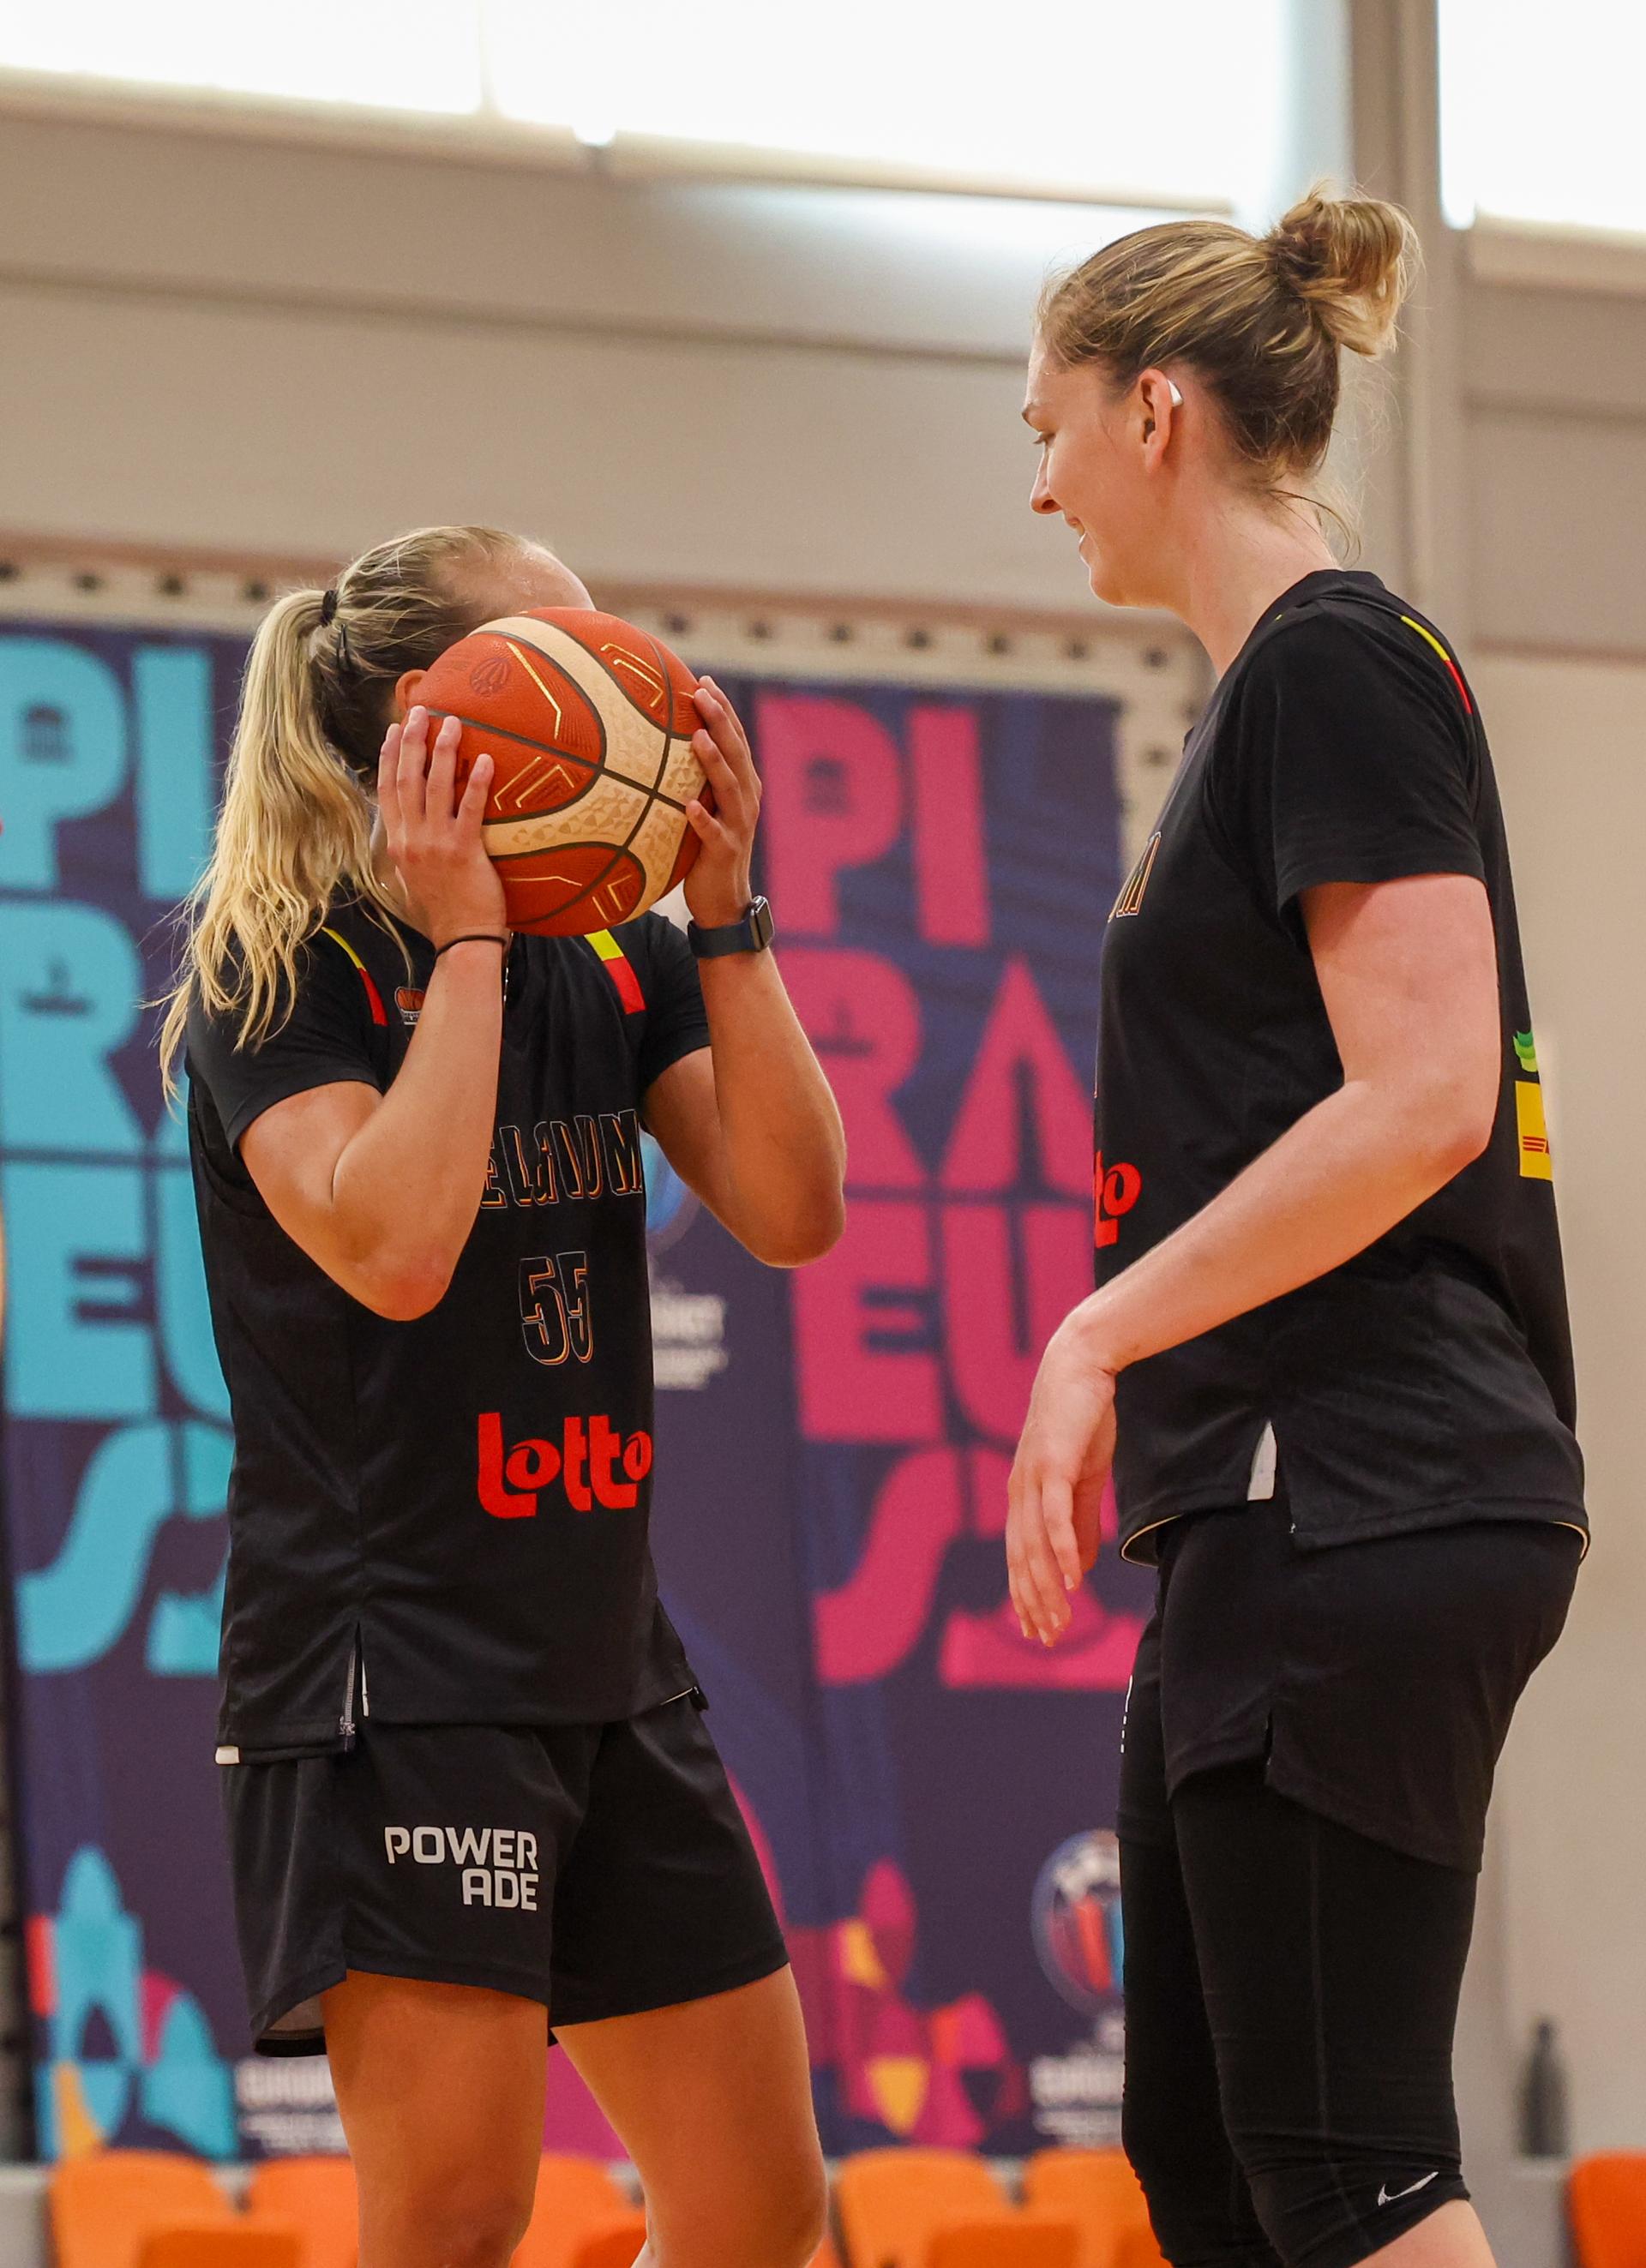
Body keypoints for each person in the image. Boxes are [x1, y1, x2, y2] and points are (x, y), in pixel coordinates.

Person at [1007, 191, 1585, 2268]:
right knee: (1214, 2172)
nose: (1042, 473)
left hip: (1358, 1475)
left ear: (1156, 410)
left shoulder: (1331, 663)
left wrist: (1092, 1338)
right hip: (1279, 1494)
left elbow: (1424, 1095)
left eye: (1050, 420)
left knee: (1346, 2172)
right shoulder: (1275, 691)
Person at [161, 525, 843, 2268]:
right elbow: (388, 1248)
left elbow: (791, 1207)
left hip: (610, 1665)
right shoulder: (284, 970)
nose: (624, 667)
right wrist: (463, 950)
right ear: (438, 720)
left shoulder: (614, 953)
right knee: (457, 2226)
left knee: (759, 2215)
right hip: (400, 1676)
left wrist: (729, 918)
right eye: (570, 644)